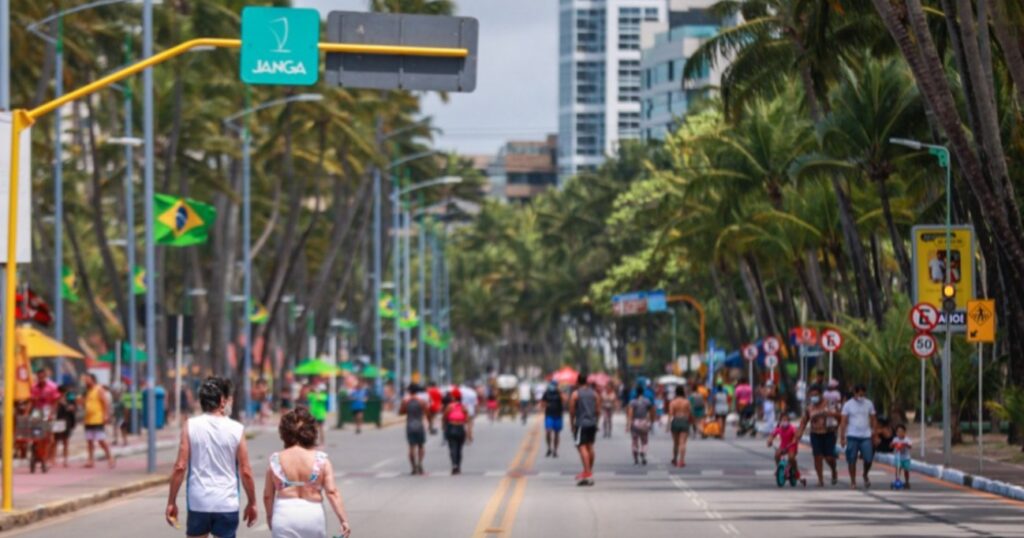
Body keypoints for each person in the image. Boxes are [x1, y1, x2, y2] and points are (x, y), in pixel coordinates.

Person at [166, 377, 258, 537]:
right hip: (227, 503)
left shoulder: (190, 425)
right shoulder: (237, 429)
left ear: (201, 402)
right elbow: (246, 471)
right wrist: (252, 502)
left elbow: (180, 467)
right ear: (222, 401)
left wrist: (171, 501)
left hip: (198, 502)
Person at [263, 408, 351, 538]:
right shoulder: (321, 460)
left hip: (284, 515)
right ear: (311, 432)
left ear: (284, 433)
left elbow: (268, 496)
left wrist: (270, 516)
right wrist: (343, 520)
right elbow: (332, 492)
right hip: (312, 516)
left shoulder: (275, 461)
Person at [796, 384, 840, 486]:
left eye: (815, 395)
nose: (813, 397)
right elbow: (804, 421)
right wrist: (799, 433)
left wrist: (831, 414)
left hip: (829, 433)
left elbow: (840, 416)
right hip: (815, 434)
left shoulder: (830, 404)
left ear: (821, 394)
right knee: (817, 457)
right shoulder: (809, 407)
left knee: (829, 457)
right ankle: (820, 479)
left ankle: (833, 470)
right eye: (812, 395)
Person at [839, 383, 877, 489]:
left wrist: (874, 433)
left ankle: (865, 474)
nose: (861, 396)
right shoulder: (848, 405)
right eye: (859, 394)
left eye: (863, 394)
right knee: (852, 459)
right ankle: (853, 481)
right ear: (854, 393)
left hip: (866, 436)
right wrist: (842, 437)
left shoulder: (869, 404)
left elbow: (873, 418)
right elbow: (843, 422)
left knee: (868, 458)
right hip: (852, 435)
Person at [568, 374, 600, 486]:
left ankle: (587, 473)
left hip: (581, 424)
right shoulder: (594, 394)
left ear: (577, 382)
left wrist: (572, 424)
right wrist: (596, 422)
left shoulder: (575, 394)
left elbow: (571, 411)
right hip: (592, 424)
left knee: (582, 447)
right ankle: (589, 473)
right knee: (590, 447)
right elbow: (598, 410)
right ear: (586, 381)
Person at [82, 373, 114, 469]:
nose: (86, 381)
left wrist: (106, 415)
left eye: (88, 379)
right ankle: (90, 460)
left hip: (97, 418)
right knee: (89, 441)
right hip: (88, 419)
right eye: (85, 380)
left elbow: (105, 403)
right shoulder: (86, 391)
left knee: (101, 440)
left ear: (93, 380)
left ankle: (110, 457)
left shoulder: (99, 389)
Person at [767, 413, 805, 486]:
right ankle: (779, 469)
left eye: (786, 420)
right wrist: (769, 441)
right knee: (777, 454)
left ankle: (795, 470)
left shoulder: (792, 428)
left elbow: (796, 435)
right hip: (783, 446)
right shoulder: (779, 429)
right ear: (780, 421)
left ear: (789, 421)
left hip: (792, 446)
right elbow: (772, 435)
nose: (784, 421)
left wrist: (794, 440)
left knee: (791, 458)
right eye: (783, 420)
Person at [400, 384, 428, 475]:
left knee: (411, 447)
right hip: (419, 425)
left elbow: (401, 412)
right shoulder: (421, 401)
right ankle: (420, 463)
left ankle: (413, 467)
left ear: (409, 391)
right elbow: (426, 412)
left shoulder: (406, 401)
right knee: (421, 446)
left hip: (410, 425)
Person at [626, 383, 655, 466]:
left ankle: (635, 458)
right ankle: (643, 452)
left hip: (635, 422)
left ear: (636, 393)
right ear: (643, 392)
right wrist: (651, 421)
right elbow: (651, 411)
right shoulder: (647, 401)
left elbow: (630, 414)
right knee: (644, 441)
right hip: (644, 422)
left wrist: (628, 425)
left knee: (634, 441)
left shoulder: (632, 402)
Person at [442, 388, 468, 474]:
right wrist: (469, 433)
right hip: (460, 428)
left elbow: (444, 418)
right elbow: (467, 419)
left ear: (453, 397)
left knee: (452, 448)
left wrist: (444, 428)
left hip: (451, 427)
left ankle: (454, 465)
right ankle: (458, 466)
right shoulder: (463, 406)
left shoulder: (449, 406)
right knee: (459, 449)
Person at [52, 385, 77, 468]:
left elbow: (72, 408)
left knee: (65, 440)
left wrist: (65, 403)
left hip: (66, 420)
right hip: (58, 420)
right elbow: (54, 409)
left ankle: (65, 460)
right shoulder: (56, 398)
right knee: (55, 440)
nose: (62, 394)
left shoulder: (70, 398)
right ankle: (53, 459)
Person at [667, 386, 693, 467]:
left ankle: (675, 459)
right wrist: (690, 422)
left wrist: (668, 425)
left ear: (676, 392)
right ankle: (681, 461)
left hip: (676, 421)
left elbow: (670, 414)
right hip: (684, 421)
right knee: (682, 443)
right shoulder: (687, 402)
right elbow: (690, 413)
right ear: (683, 392)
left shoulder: (673, 402)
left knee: (675, 443)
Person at [540, 381, 565, 458]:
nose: (553, 387)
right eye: (552, 385)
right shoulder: (547, 393)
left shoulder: (559, 393)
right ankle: (549, 448)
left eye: (554, 385)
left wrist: (560, 391)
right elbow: (542, 404)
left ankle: (555, 450)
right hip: (549, 415)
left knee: (556, 433)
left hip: (558, 415)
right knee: (548, 431)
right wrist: (546, 405)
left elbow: (565, 400)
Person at [892, 424, 913, 489]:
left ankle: (907, 482)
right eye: (898, 432)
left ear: (904, 432)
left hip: (906, 458)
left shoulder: (907, 440)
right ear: (896, 433)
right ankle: (897, 480)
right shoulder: (895, 439)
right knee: (898, 469)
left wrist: (905, 444)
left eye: (901, 432)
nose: (899, 433)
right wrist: (894, 445)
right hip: (898, 458)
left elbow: (910, 446)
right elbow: (891, 445)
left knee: (906, 470)